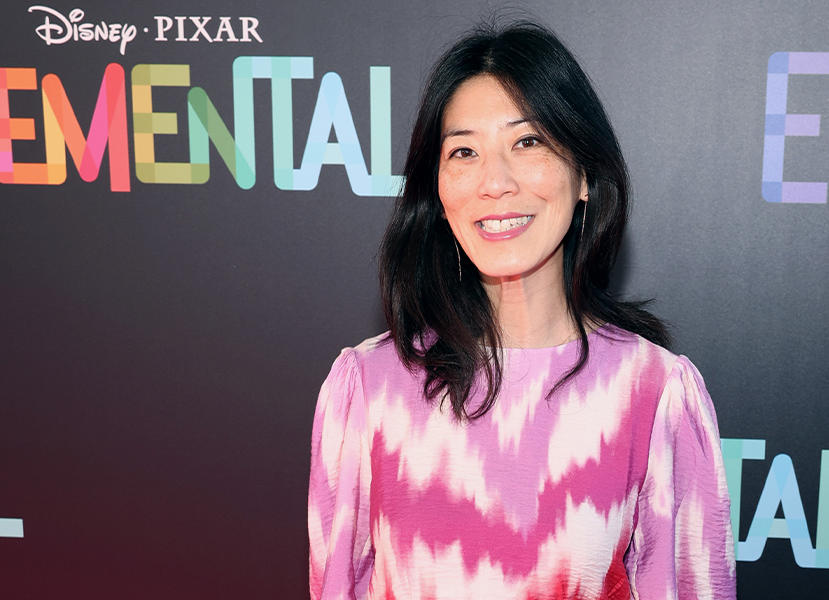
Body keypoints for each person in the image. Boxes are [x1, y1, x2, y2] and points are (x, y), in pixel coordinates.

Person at [308, 21, 736, 600]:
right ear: (437, 191)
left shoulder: (654, 394)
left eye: (528, 142)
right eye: (464, 151)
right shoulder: (368, 389)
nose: (495, 182)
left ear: (584, 173)